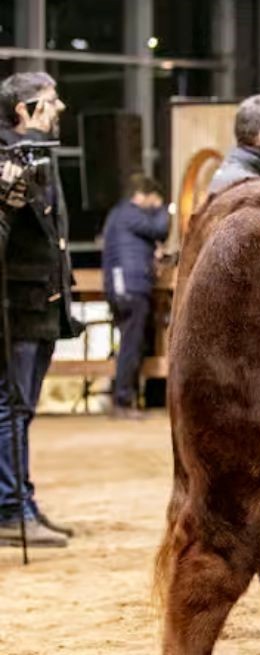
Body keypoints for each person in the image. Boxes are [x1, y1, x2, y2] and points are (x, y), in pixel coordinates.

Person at [0, 72, 80, 548]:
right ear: (23, 110)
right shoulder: (7, 158)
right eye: (49, 101)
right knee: (11, 408)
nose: (59, 107)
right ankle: (11, 509)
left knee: (21, 409)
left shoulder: (36, 155)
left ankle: (21, 501)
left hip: (39, 303)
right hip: (17, 305)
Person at [101, 175, 169, 420]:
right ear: (144, 196)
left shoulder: (119, 215)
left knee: (130, 344)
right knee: (131, 345)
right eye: (154, 200)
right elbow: (160, 229)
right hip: (131, 286)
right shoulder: (130, 214)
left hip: (122, 286)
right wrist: (163, 208)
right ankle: (123, 399)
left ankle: (124, 396)